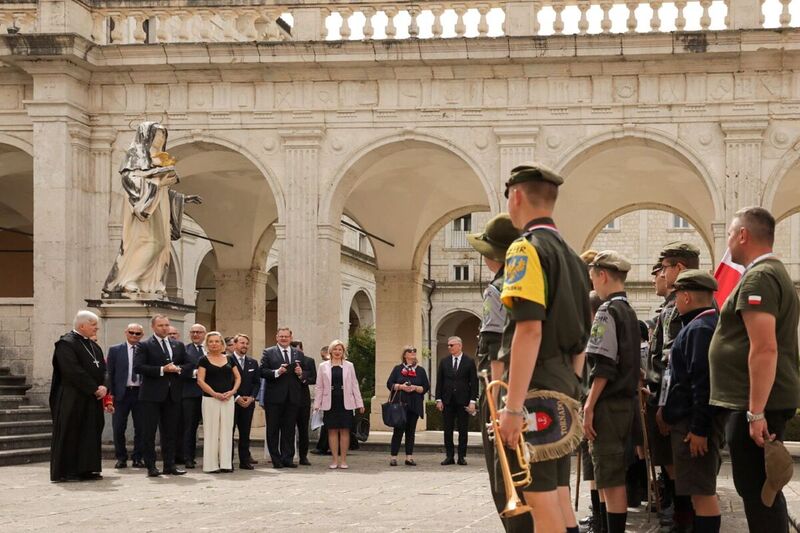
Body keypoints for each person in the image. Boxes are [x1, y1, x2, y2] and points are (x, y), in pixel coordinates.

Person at [499, 163, 592, 533]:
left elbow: (528, 330)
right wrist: (573, 384)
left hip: (536, 388)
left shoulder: (525, 249)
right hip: (565, 383)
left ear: (517, 196)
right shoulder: (574, 258)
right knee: (554, 492)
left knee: (539, 499)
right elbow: (583, 337)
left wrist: (512, 407)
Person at [709, 207, 800, 532]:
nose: (728, 240)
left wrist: (756, 412)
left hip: (756, 403)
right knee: (762, 490)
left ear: (743, 235)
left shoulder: (760, 277)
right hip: (755, 401)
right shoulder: (768, 273)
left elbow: (764, 348)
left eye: (730, 234)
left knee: (759, 491)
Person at [468, 213, 530, 532]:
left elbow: (495, 347)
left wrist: (496, 401)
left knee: (504, 476)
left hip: (501, 390)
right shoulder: (529, 283)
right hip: (527, 387)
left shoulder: (496, 289)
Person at [103, 121, 201, 297]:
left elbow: (163, 189)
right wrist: (157, 183)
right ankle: (127, 280)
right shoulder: (136, 154)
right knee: (150, 242)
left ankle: (149, 284)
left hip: (158, 205)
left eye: (164, 134)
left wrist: (181, 199)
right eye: (158, 134)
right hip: (143, 207)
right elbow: (130, 180)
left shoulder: (161, 158)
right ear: (147, 135)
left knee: (162, 245)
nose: (161, 138)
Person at [662, 270, 724, 533]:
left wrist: (699, 429)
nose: (675, 301)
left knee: (702, 494)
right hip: (690, 423)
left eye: (677, 295)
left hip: (692, 426)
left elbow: (702, 382)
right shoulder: (704, 325)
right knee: (698, 494)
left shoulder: (699, 329)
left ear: (686, 296)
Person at [584, 251, 641, 533]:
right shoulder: (628, 311)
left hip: (608, 404)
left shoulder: (606, 312)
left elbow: (603, 366)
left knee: (610, 478)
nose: (593, 283)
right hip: (625, 404)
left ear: (603, 275)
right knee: (609, 476)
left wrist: (589, 405)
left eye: (593, 277)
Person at [651, 242, 702, 531]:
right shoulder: (682, 306)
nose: (662, 273)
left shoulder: (677, 308)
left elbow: (671, 363)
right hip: (681, 399)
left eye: (665, 268)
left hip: (679, 402)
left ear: (679, 268)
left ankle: (683, 518)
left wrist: (664, 405)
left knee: (680, 467)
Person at [49, 310, 112, 482]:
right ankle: (68, 471)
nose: (96, 328)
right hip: (73, 397)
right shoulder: (66, 344)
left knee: (90, 431)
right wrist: (94, 388)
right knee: (72, 432)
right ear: (82, 325)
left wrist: (104, 386)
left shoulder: (93, 346)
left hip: (93, 398)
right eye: (93, 324)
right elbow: (72, 371)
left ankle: (87, 468)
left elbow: (105, 369)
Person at [133, 314, 189, 477]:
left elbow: (189, 364)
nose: (164, 328)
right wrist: (162, 370)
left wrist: (179, 369)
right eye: (160, 325)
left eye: (166, 325)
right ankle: (151, 466)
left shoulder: (178, 345)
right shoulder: (144, 345)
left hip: (173, 394)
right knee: (149, 432)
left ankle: (169, 465)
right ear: (153, 327)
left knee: (170, 432)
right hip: (151, 395)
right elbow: (138, 367)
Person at [314, 340, 365, 469]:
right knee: (332, 431)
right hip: (330, 402)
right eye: (335, 349)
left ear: (343, 352)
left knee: (345, 431)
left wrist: (359, 403)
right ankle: (334, 460)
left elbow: (354, 385)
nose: (337, 352)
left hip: (345, 402)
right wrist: (317, 404)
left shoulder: (349, 365)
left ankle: (343, 460)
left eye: (340, 349)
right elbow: (319, 386)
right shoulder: (323, 366)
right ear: (330, 351)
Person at [260, 327, 305, 468]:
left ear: (291, 338)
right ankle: (276, 459)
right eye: (281, 336)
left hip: (292, 398)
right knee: (273, 429)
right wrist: (277, 372)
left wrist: (300, 373)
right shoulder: (268, 352)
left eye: (286, 336)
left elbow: (306, 374)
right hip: (274, 398)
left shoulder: (298, 353)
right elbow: (262, 371)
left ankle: (288, 458)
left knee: (289, 429)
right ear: (277, 337)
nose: (284, 338)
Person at [197, 331, 241, 473]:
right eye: (211, 341)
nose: (214, 344)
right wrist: (214, 394)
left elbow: (238, 377)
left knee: (227, 431)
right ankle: (211, 465)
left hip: (228, 400)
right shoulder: (203, 360)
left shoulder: (229, 358)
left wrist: (233, 392)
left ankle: (226, 464)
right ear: (207, 344)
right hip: (210, 400)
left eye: (217, 341)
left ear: (222, 343)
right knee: (211, 431)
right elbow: (200, 380)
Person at [106, 323, 145, 469]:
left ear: (142, 335)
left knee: (141, 428)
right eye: (131, 332)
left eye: (137, 333)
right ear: (126, 332)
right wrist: (109, 397)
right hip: (121, 394)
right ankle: (121, 458)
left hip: (140, 393)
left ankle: (137, 458)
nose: (134, 335)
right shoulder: (115, 350)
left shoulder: (145, 350)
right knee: (118, 427)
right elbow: (109, 374)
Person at [435, 336, 478, 466]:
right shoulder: (444, 361)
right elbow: (440, 382)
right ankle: (449, 456)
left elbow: (474, 383)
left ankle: (461, 457)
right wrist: (438, 399)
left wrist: (472, 401)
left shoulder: (469, 361)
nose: (449, 347)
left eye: (452, 345)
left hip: (463, 401)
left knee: (463, 430)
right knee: (447, 430)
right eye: (448, 345)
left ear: (460, 346)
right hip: (447, 401)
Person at [386, 346, 430, 466]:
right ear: (405, 355)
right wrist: (401, 387)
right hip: (400, 405)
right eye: (410, 351)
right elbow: (389, 384)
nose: (413, 353)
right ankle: (393, 457)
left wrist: (415, 388)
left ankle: (409, 457)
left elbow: (426, 387)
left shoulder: (420, 370)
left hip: (414, 405)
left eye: (414, 351)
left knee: (411, 432)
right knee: (398, 431)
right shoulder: (398, 369)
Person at [230, 333, 260, 470]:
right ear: (235, 344)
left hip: (248, 403)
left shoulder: (253, 362)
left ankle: (244, 461)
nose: (245, 346)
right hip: (232, 401)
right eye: (242, 343)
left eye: (247, 343)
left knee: (245, 433)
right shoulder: (227, 360)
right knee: (229, 432)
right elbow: (227, 382)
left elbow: (256, 382)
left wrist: (252, 397)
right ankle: (228, 461)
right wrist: (236, 397)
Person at [180, 323, 206, 469]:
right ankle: (188, 457)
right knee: (190, 427)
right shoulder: (184, 350)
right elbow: (179, 369)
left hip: (211, 394)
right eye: (193, 332)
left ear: (204, 334)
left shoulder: (212, 348)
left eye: (199, 332)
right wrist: (195, 373)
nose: (195, 334)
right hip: (191, 394)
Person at [291, 340, 318, 466]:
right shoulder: (286, 361)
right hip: (289, 400)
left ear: (302, 350)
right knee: (288, 429)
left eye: (298, 350)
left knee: (303, 430)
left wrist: (302, 376)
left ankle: (303, 456)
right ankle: (289, 456)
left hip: (303, 400)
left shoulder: (309, 361)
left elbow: (313, 379)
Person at [311, 345, 331, 456]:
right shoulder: (323, 366)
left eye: (323, 356)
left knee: (327, 425)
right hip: (326, 400)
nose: (322, 359)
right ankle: (324, 446)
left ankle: (323, 447)